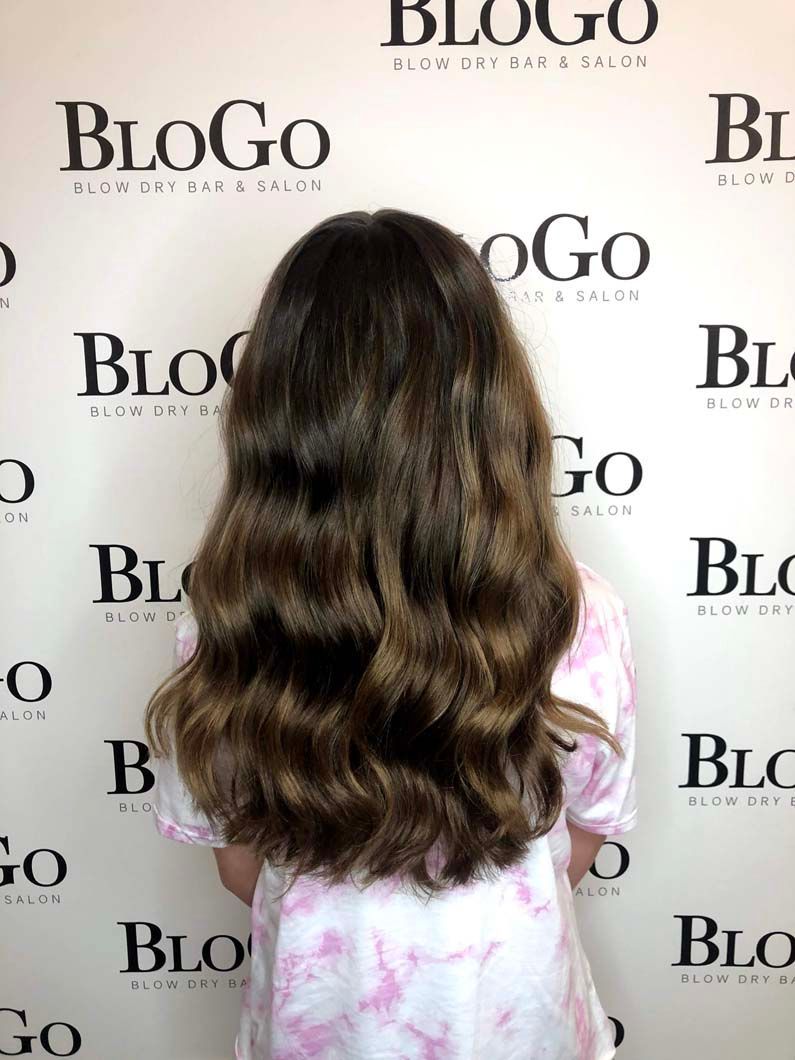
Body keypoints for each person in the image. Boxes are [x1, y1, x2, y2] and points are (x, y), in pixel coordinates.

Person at [144, 208, 638, 1060]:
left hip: (316, 1030)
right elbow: (581, 839)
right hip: (518, 1022)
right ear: (489, 401)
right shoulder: (578, 610)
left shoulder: (227, 618)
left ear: (277, 408)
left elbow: (236, 866)